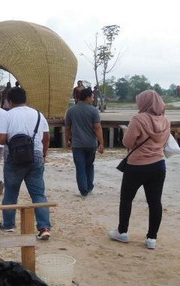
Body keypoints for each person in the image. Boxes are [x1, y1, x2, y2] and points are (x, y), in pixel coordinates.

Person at [108, 90, 170, 250]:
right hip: (158, 164)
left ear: (145, 102)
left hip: (137, 166)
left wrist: (125, 131)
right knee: (155, 202)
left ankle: (122, 232)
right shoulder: (165, 120)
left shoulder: (138, 118)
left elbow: (128, 143)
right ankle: (151, 238)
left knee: (127, 199)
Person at [0, 87, 52, 240]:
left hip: (13, 158)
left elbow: (0, 139)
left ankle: (8, 224)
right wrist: (43, 154)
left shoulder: (7, 116)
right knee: (39, 194)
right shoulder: (39, 115)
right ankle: (44, 227)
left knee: (11, 193)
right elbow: (46, 137)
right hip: (36, 157)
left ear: (9, 101)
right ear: (25, 99)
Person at [64, 88, 104, 197]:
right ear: (87, 98)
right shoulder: (94, 110)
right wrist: (101, 143)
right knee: (89, 165)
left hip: (77, 144)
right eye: (92, 97)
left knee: (80, 167)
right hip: (91, 143)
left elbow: (67, 128)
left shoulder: (71, 110)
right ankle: (90, 186)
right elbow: (97, 127)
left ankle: (83, 190)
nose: (93, 99)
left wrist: (66, 140)